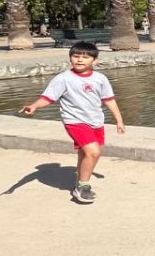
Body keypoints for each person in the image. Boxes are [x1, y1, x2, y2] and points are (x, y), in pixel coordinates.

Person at [19, 40, 125, 204]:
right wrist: (34, 106)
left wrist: (119, 120)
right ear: (70, 59)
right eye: (76, 56)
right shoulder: (63, 79)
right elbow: (48, 97)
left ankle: (80, 180)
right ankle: (82, 187)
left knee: (85, 153)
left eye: (85, 57)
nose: (80, 60)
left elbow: (109, 100)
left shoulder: (100, 78)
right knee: (93, 152)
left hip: (96, 121)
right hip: (74, 121)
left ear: (94, 61)